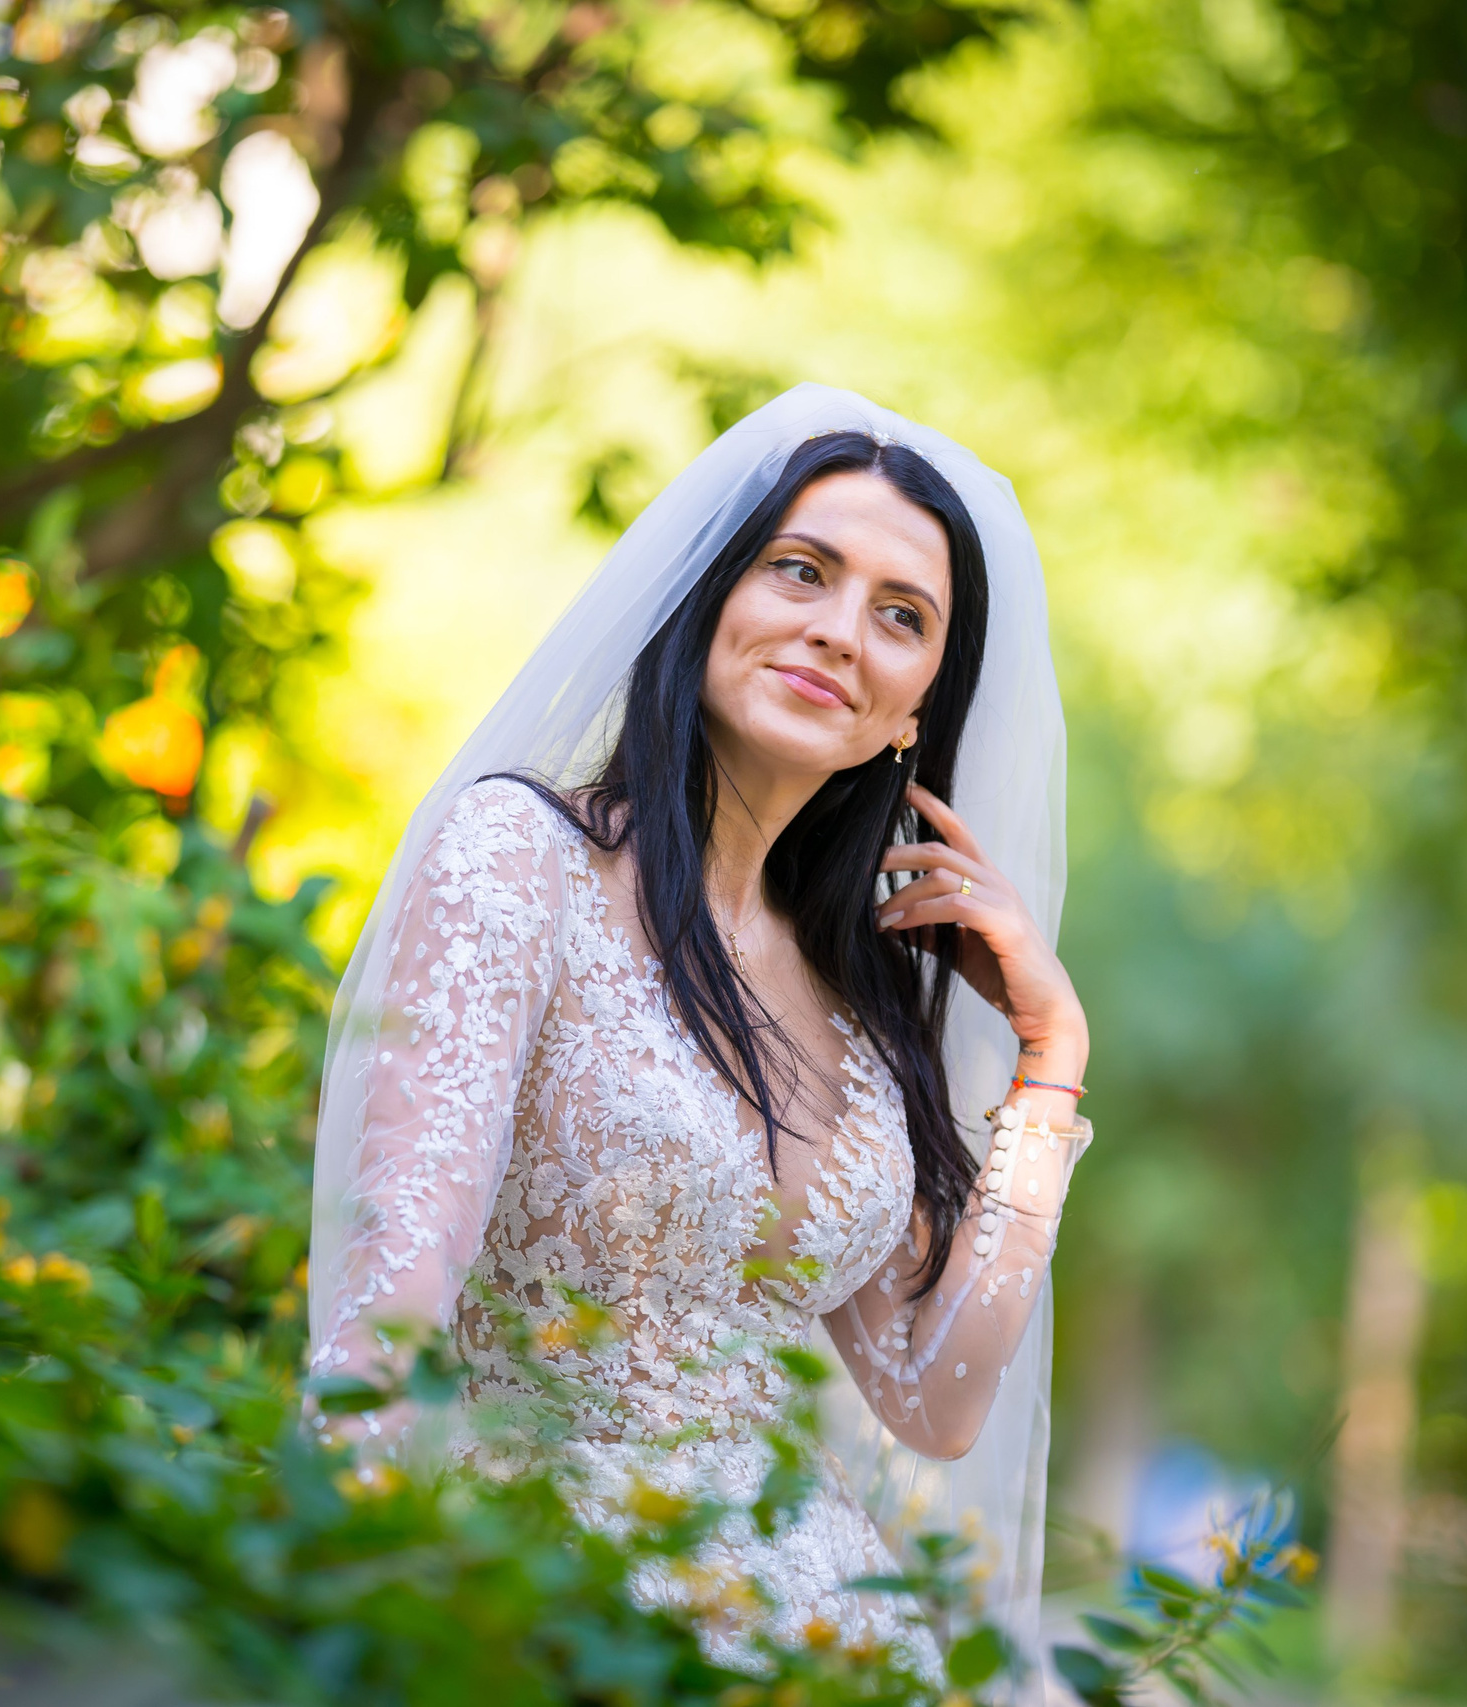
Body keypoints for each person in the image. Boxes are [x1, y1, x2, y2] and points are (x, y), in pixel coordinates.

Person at [306, 385, 1086, 1685]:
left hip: (829, 1639)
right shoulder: (524, 862)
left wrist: (1050, 1058)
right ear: (712, 596)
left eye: (902, 617)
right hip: (556, 1606)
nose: (841, 632)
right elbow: (387, 1315)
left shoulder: (866, 1011)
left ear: (913, 712)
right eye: (801, 571)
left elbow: (934, 1398)